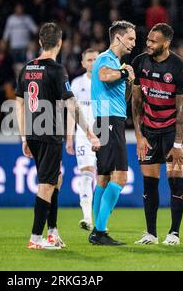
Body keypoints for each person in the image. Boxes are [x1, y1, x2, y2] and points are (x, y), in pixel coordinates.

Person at [15, 23, 100, 250]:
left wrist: (24, 137)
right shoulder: (56, 70)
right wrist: (90, 132)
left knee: (56, 179)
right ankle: (35, 238)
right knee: (46, 184)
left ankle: (52, 232)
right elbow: (71, 104)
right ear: (60, 43)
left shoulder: (26, 68)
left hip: (33, 133)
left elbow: (19, 104)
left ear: (41, 42)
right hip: (49, 133)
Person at [132, 23, 183, 245]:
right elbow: (136, 102)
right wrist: (139, 136)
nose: (148, 44)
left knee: (175, 181)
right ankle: (151, 233)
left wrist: (178, 143)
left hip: (171, 132)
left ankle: (174, 234)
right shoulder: (139, 62)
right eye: (147, 40)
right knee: (149, 182)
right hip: (149, 130)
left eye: (153, 41)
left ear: (166, 43)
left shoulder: (180, 68)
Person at [88, 20, 136, 246]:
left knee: (104, 177)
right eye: (130, 38)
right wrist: (125, 73)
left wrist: (127, 81)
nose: (133, 43)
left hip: (107, 119)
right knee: (120, 177)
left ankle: (97, 231)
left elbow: (121, 100)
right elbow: (105, 76)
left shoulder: (116, 63)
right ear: (118, 37)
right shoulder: (106, 59)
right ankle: (99, 231)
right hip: (109, 122)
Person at [66, 48, 99, 231]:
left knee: (104, 177)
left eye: (96, 59)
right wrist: (69, 137)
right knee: (87, 172)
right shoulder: (77, 84)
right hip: (83, 135)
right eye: (89, 60)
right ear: (83, 62)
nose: (93, 63)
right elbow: (72, 112)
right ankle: (87, 217)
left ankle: (101, 219)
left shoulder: (105, 81)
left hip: (104, 133)